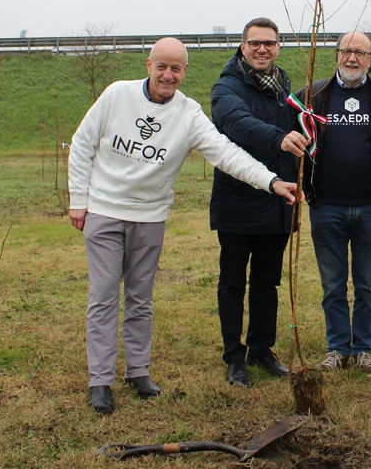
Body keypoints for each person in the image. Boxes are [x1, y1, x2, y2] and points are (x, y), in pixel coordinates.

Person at [69, 37, 296, 414]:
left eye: (176, 68)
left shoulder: (188, 114)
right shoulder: (116, 96)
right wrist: (79, 200)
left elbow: (226, 153)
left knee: (140, 300)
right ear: (148, 65)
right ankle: (100, 381)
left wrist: (271, 181)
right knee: (104, 297)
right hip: (105, 211)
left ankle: (138, 372)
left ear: (184, 71)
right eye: (161, 66)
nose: (168, 74)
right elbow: (82, 144)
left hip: (150, 217)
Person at [209, 18, 309, 388]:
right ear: (242, 46)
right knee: (233, 282)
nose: (262, 49)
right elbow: (236, 123)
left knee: (267, 282)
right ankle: (234, 357)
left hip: (279, 203)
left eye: (269, 43)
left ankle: (262, 349)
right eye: (255, 44)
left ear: (278, 47)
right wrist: (280, 138)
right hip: (238, 204)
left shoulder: (284, 88)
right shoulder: (227, 87)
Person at [296, 31, 371, 375]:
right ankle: (337, 348)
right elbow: (292, 140)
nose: (351, 58)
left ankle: (363, 348)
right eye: (345, 51)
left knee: (367, 284)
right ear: (336, 55)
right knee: (333, 284)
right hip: (326, 207)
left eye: (359, 53)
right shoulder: (313, 94)